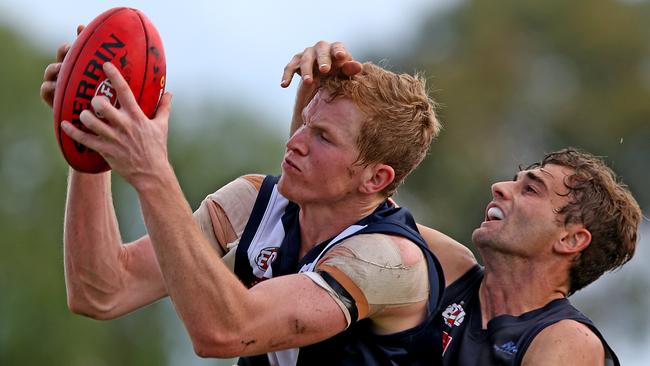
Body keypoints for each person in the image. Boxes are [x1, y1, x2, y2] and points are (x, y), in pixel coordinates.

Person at [40, 37, 446, 365]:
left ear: (376, 178)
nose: (294, 142)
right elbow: (103, 290)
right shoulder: (255, 201)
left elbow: (224, 331)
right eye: (305, 123)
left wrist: (152, 172)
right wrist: (90, 135)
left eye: (323, 137)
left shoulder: (390, 261)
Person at [293, 42, 642, 366]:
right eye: (515, 180)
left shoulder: (567, 341)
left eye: (531, 190)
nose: (501, 187)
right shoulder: (450, 266)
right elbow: (341, 204)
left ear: (570, 240)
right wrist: (317, 95)